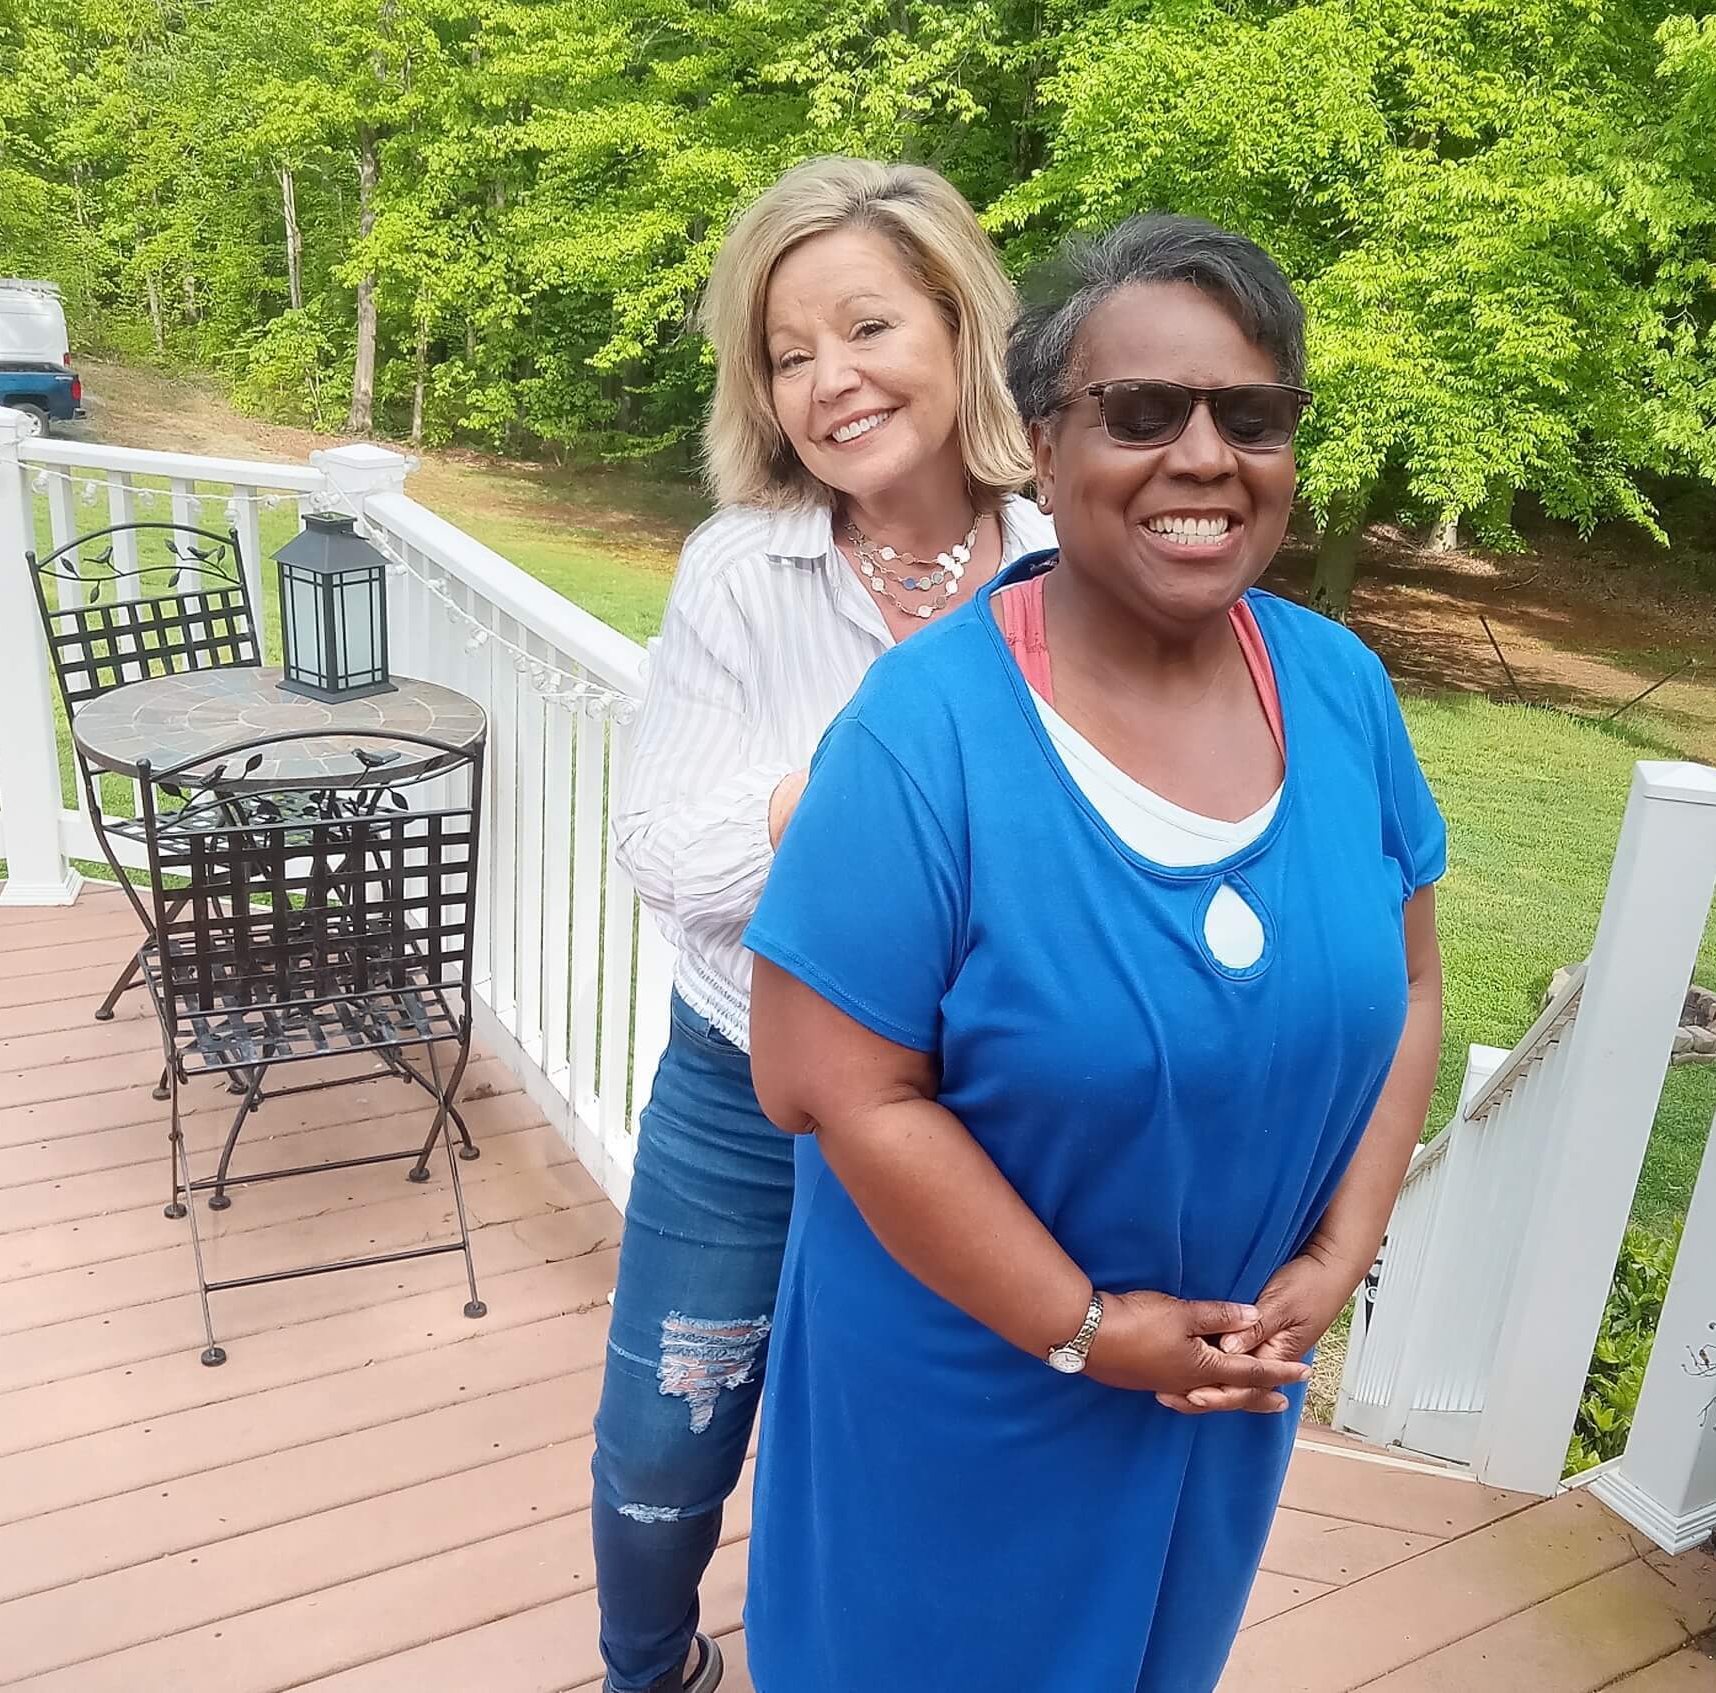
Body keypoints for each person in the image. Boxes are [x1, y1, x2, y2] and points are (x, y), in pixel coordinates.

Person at [743, 212, 1448, 1692]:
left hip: (1217, 1404)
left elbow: (1416, 982)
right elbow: (825, 1085)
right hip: (964, 1406)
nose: (1204, 454)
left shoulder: (1340, 690)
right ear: (1047, 449)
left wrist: (1342, 1245)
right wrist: (1086, 1332)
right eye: (1142, 411)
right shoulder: (920, 736)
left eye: (1251, 415)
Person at [592, 156, 1053, 1693]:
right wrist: (858, 774)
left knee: (887, 1451)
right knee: (669, 1430)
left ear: (958, 323)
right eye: (790, 354)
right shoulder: (743, 572)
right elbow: (666, 848)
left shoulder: (1070, 570)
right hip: (742, 1083)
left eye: (867, 327)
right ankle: (651, 1666)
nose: (829, 380)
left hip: (962, 1110)